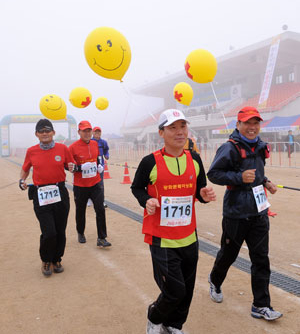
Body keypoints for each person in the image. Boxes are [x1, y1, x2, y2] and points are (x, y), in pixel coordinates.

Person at [131, 109, 216, 334]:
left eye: (183, 127)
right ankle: (154, 316)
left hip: (189, 236)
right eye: (173, 128)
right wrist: (146, 200)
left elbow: (199, 190)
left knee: (186, 290)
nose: (180, 132)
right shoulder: (150, 162)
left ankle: (174, 325)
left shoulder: (195, 159)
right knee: (174, 291)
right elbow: (136, 187)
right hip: (162, 239)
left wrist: (203, 196)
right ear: (161, 133)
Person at [207, 106, 282, 321]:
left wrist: (266, 182)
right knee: (228, 255)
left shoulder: (260, 146)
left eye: (256, 123)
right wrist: (240, 178)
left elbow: (258, 173)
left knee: (261, 259)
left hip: (259, 211)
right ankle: (215, 280)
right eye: (247, 123)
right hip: (236, 212)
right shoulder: (229, 148)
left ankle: (261, 305)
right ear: (238, 125)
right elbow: (213, 174)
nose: (252, 127)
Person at [19, 119, 75, 277]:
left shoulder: (63, 148)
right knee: (49, 231)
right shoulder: (32, 151)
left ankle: (57, 259)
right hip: (41, 194)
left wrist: (72, 166)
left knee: (60, 229)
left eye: (47, 130)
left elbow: (71, 165)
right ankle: (46, 259)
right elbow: (25, 169)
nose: (45, 133)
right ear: (36, 134)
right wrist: (22, 180)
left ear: (53, 133)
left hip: (60, 192)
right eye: (41, 131)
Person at [69, 120, 111, 247]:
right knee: (80, 211)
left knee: (100, 209)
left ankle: (102, 238)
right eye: (84, 131)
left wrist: (99, 166)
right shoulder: (72, 147)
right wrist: (81, 168)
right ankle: (80, 232)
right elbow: (69, 167)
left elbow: (98, 157)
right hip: (80, 186)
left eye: (89, 131)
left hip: (96, 183)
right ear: (79, 132)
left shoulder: (94, 144)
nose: (87, 133)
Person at [92, 126, 109, 207]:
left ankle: (102, 201)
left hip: (100, 165)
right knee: (91, 182)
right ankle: (89, 199)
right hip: (91, 165)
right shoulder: (90, 141)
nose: (97, 133)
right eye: (95, 132)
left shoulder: (103, 142)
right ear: (93, 133)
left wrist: (106, 155)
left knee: (100, 183)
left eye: (99, 132)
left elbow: (106, 150)